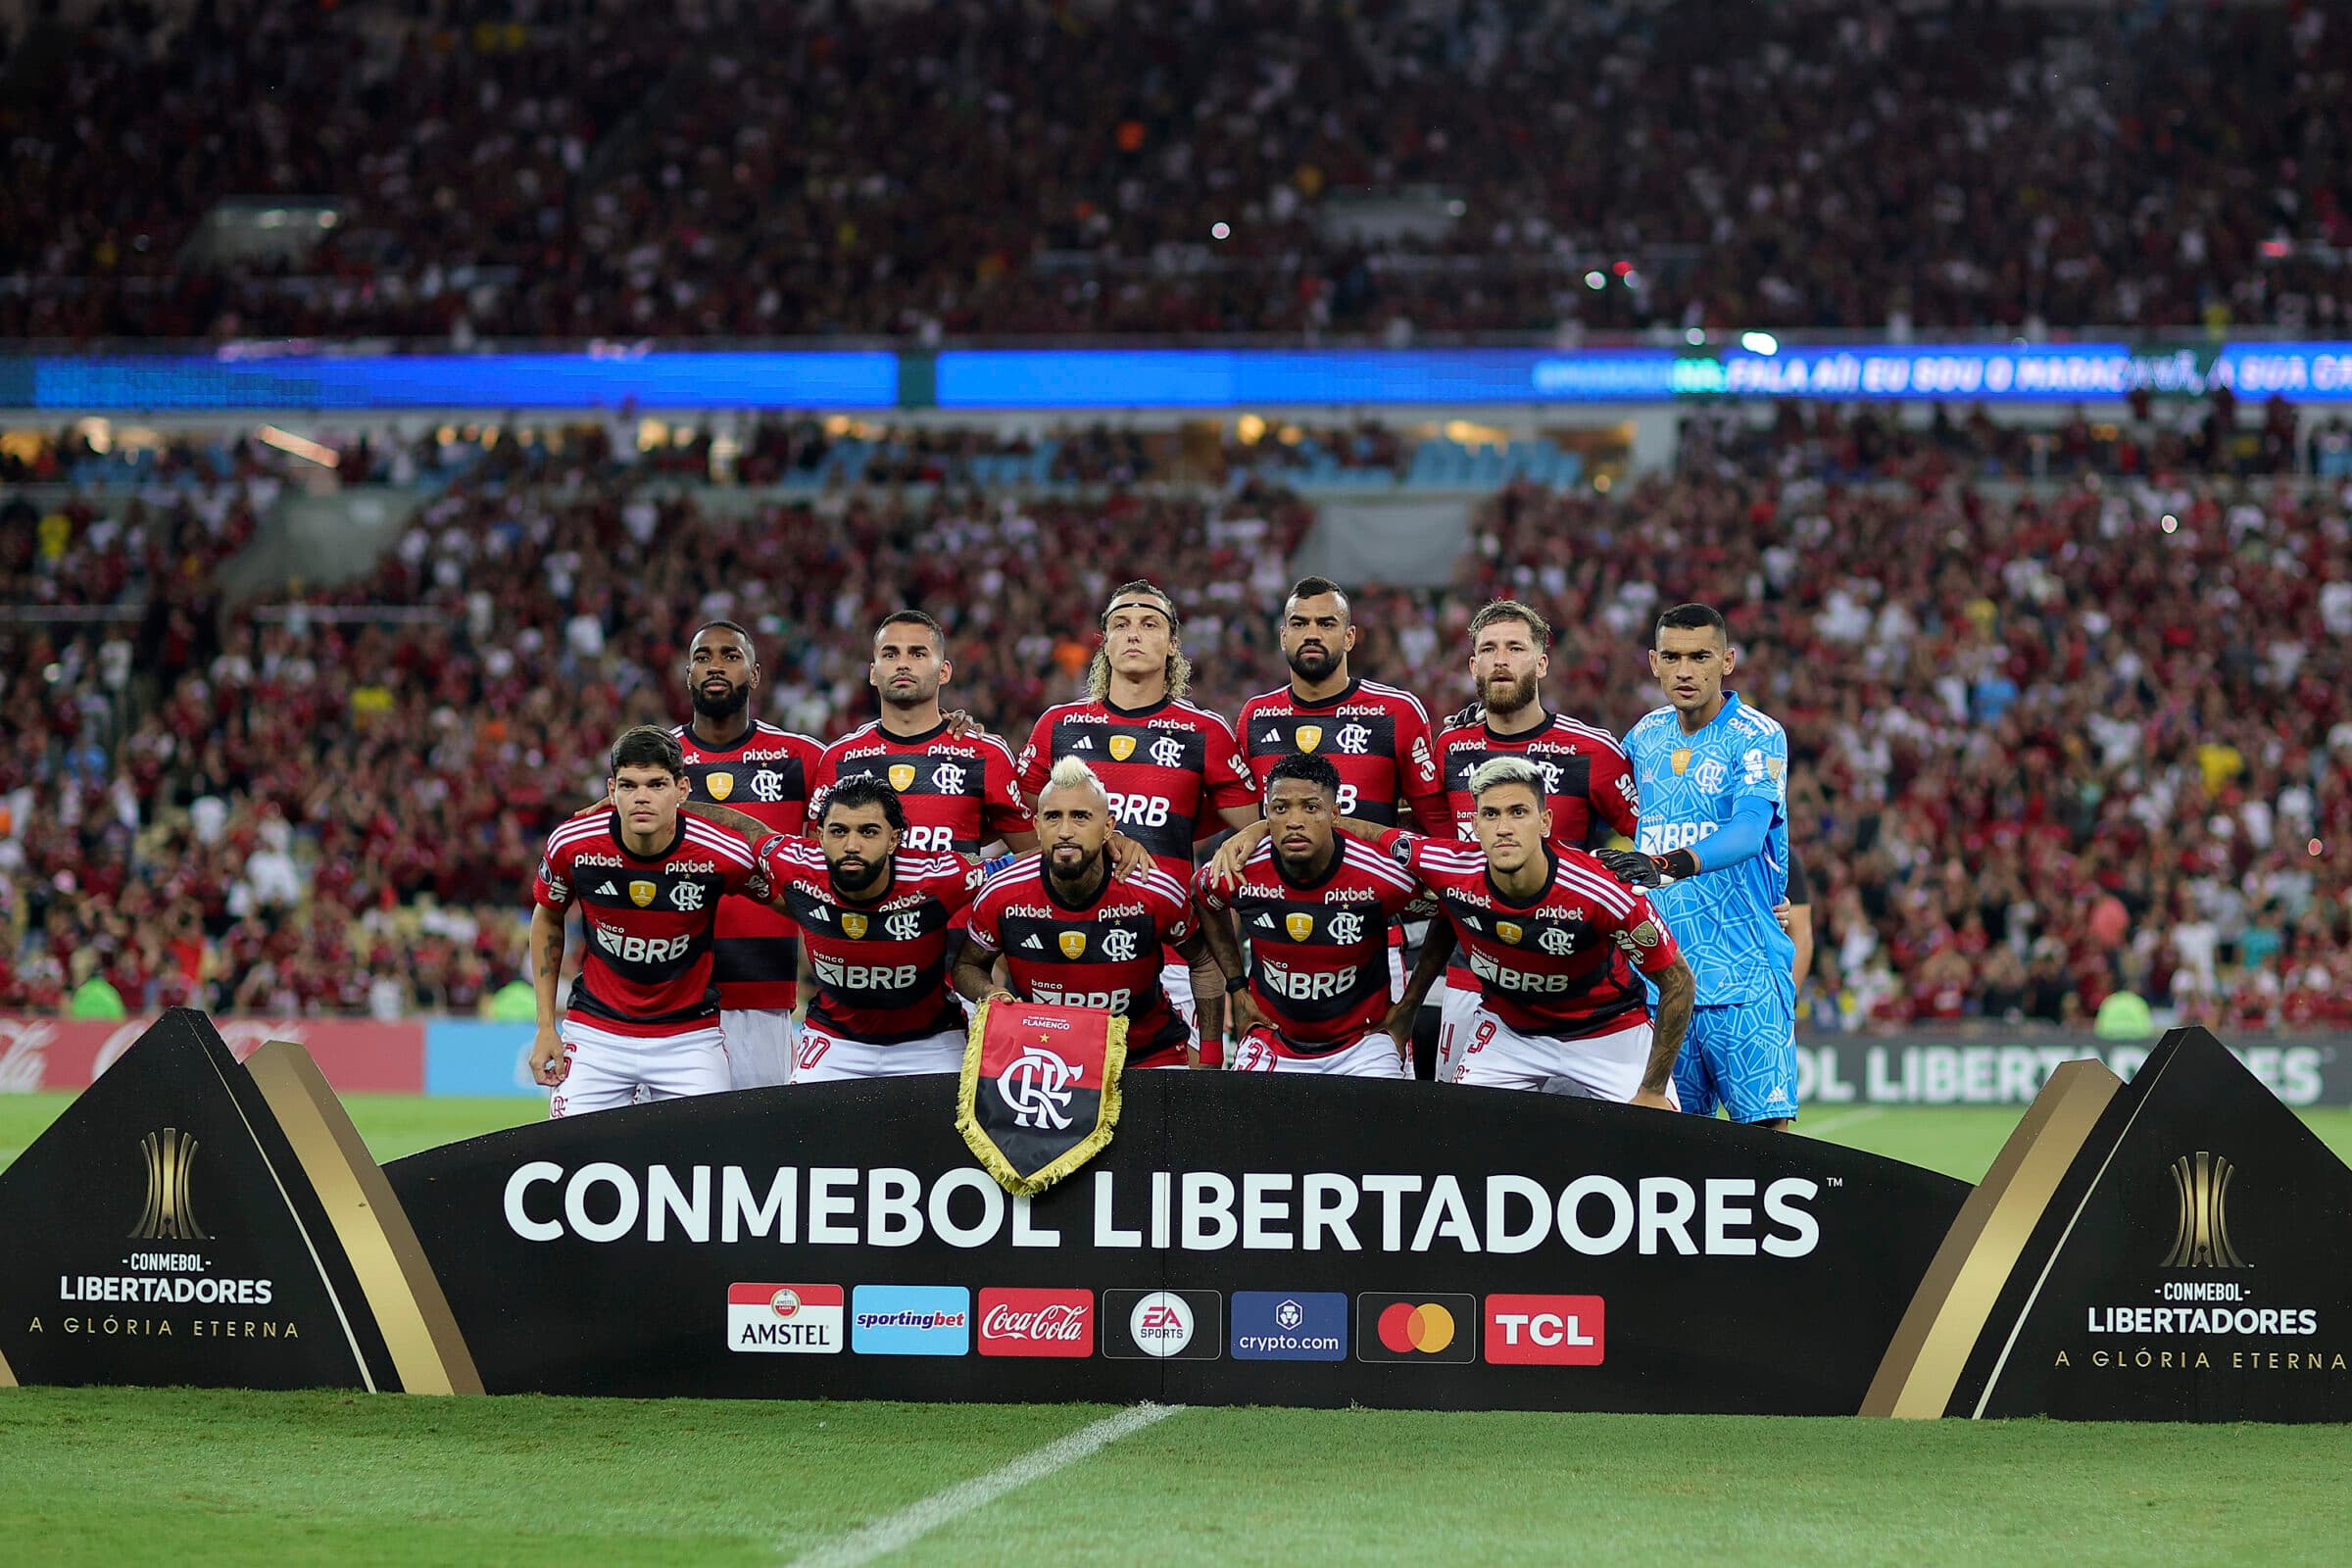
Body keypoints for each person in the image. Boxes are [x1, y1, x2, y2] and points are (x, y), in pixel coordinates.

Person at [1220, 757, 1690, 1100]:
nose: (1503, 828)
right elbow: (1355, 827)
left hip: (1606, 1033)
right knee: (1458, 1144)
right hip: (1510, 1032)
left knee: (1658, 1139)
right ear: (1475, 826)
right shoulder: (1446, 866)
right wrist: (1261, 828)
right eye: (1490, 814)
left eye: (1518, 813)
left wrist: (1650, 1088)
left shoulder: (1598, 890)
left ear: (1545, 822)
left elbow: (1678, 983)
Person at [1014, 579, 1259, 1057]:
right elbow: (1020, 830)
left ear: (1171, 645)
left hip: (1173, 954)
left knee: (1176, 1107)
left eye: (1150, 624)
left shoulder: (1205, 731)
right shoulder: (1057, 725)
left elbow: (1257, 825)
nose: (1134, 633)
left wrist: (1241, 840)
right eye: (1120, 624)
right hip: (1069, 950)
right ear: (1104, 642)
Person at [1415, 599, 1642, 1079]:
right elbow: (1433, 845)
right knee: (1466, 1142)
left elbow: (1652, 842)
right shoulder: (1450, 748)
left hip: (1570, 987)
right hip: (1469, 979)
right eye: (1489, 649)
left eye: (1516, 648)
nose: (1502, 660)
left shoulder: (1592, 751)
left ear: (1541, 663)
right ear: (1472, 664)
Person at [1608, 603, 1799, 1129]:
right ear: (1653, 662)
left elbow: (1749, 830)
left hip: (1745, 976)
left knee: (1766, 1148)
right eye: (1672, 657)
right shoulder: (1643, 737)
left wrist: (1670, 864)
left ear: (1728, 661)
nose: (1685, 671)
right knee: (1665, 1154)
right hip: (1663, 983)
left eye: (1700, 657)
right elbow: (1585, 792)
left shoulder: (1759, 734)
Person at [1234, 574, 1451, 1020]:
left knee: (1373, 1079)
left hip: (1373, 938)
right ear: (1283, 636)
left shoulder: (1398, 713)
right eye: (1300, 623)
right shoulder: (1254, 717)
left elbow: (1439, 831)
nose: (1312, 633)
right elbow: (1246, 832)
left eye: (1326, 623)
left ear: (1349, 636)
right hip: (1275, 939)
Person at [529, 726, 771, 1117]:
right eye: (629, 785)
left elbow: (797, 904)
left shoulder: (720, 851)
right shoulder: (572, 844)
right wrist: (545, 1027)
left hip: (689, 1039)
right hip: (595, 1034)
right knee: (570, 1159)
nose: (641, 797)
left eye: (656, 784)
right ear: (611, 791)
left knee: (701, 1167)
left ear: (682, 790)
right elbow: (547, 915)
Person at [957, 757, 1230, 1070]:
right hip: (1044, 1058)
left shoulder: (1154, 889)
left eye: (1080, 817)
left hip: (1146, 1057)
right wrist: (989, 992)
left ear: (1108, 828)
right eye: (1053, 817)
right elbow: (968, 965)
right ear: (1037, 826)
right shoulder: (1001, 893)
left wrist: (1210, 1059)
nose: (1065, 831)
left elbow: (1203, 961)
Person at [1193, 754, 1427, 1077]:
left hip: (1363, 1044)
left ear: (1335, 814)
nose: (1294, 821)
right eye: (1280, 809)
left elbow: (1449, 906)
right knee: (1239, 1124)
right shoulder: (1239, 869)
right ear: (1266, 814)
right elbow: (1204, 898)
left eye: (1311, 808)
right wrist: (1236, 986)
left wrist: (1411, 1003)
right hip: (1274, 1039)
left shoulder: (1380, 874)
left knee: (1383, 1125)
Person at [671, 619, 825, 1092]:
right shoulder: (657, 762)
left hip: (762, 989)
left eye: (730, 656)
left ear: (754, 676)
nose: (715, 666)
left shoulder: (802, 758)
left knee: (758, 1148)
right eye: (703, 657)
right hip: (665, 991)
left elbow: (831, 862)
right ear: (688, 675)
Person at [757, 774, 985, 1081]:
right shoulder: (793, 864)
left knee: (955, 1126)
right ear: (821, 835)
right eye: (839, 831)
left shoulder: (940, 877)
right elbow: (748, 831)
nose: (852, 845)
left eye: (868, 832)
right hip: (835, 1040)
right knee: (804, 1128)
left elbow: (1019, 871)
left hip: (932, 1041)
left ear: (894, 839)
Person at [809, 610, 1036, 862]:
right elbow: (815, 868)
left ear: (944, 671)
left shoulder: (986, 755)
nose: (903, 663)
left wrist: (984, 876)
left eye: (917, 654)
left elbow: (1032, 860)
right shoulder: (839, 759)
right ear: (873, 673)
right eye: (890, 654)